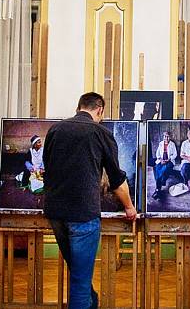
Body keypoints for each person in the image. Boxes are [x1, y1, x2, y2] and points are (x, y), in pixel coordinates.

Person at [43, 92, 137, 309]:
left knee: (78, 272)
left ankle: (92, 303)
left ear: (78, 108)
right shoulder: (100, 132)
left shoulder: (55, 130)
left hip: (56, 213)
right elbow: (117, 180)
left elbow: (48, 169)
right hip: (83, 215)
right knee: (80, 279)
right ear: (100, 109)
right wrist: (130, 207)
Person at [151, 131, 177, 199]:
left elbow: (175, 154)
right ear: (163, 137)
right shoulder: (161, 144)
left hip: (170, 161)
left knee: (164, 169)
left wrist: (169, 159)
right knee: (157, 168)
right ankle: (158, 189)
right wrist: (161, 159)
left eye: (168, 136)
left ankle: (158, 189)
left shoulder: (172, 144)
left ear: (170, 137)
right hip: (161, 160)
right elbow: (157, 154)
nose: (166, 138)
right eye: (165, 136)